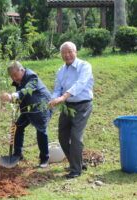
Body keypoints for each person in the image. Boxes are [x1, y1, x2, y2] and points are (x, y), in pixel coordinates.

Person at [48, 41, 93, 179]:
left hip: (83, 105)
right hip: (67, 106)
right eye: (64, 53)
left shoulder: (84, 66)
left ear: (76, 52)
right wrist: (53, 100)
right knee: (62, 137)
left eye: (70, 52)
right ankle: (77, 162)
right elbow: (57, 89)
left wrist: (63, 97)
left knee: (75, 137)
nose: (67, 55)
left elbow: (80, 85)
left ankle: (75, 170)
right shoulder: (61, 71)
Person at [0, 61, 52, 168]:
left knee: (41, 131)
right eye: (11, 76)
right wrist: (11, 100)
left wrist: (13, 96)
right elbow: (20, 96)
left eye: (15, 75)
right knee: (19, 126)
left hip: (40, 107)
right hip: (28, 108)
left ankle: (44, 159)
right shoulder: (19, 79)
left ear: (21, 70)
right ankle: (17, 154)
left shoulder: (32, 76)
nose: (14, 78)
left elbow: (27, 90)